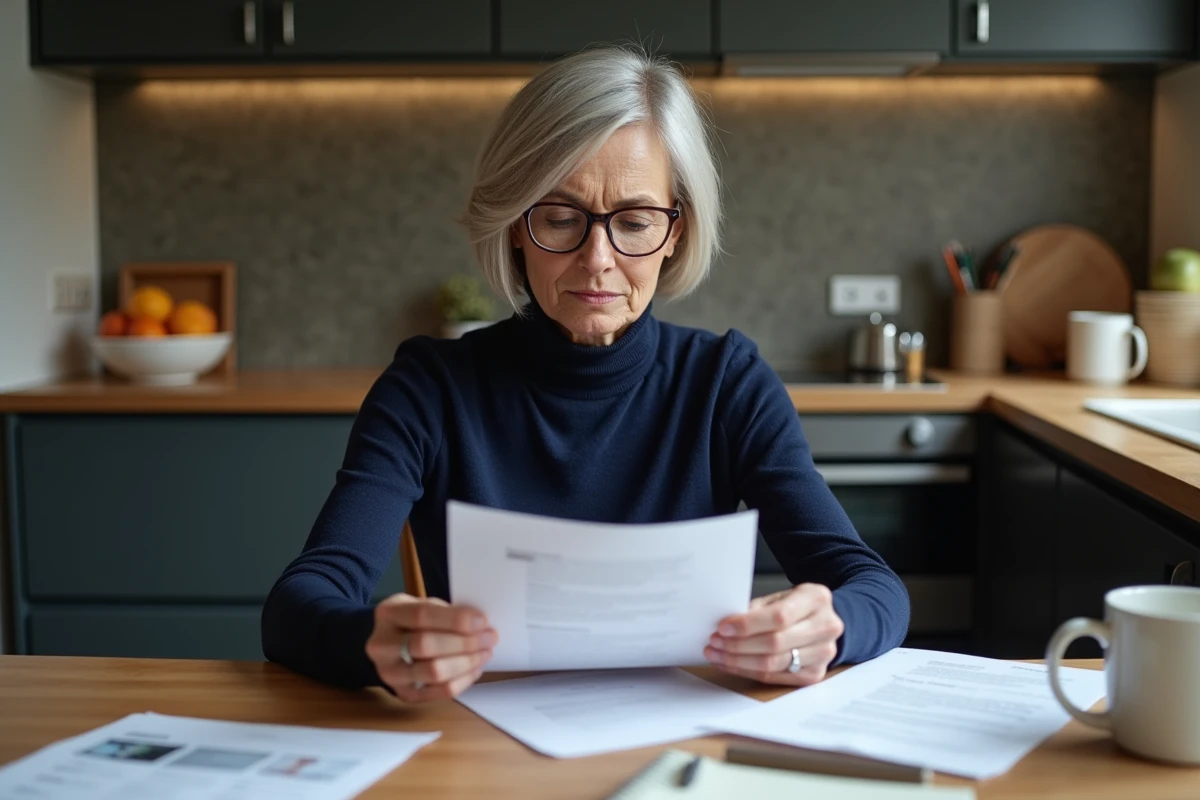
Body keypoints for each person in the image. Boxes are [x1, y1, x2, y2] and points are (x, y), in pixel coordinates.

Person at [261, 45, 909, 703]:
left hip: (676, 732)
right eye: (560, 218)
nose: (597, 259)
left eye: (635, 221)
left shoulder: (728, 383)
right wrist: (371, 642)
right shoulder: (428, 388)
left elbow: (875, 589)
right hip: (482, 740)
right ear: (516, 225)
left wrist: (829, 627)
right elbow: (298, 603)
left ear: (676, 232)